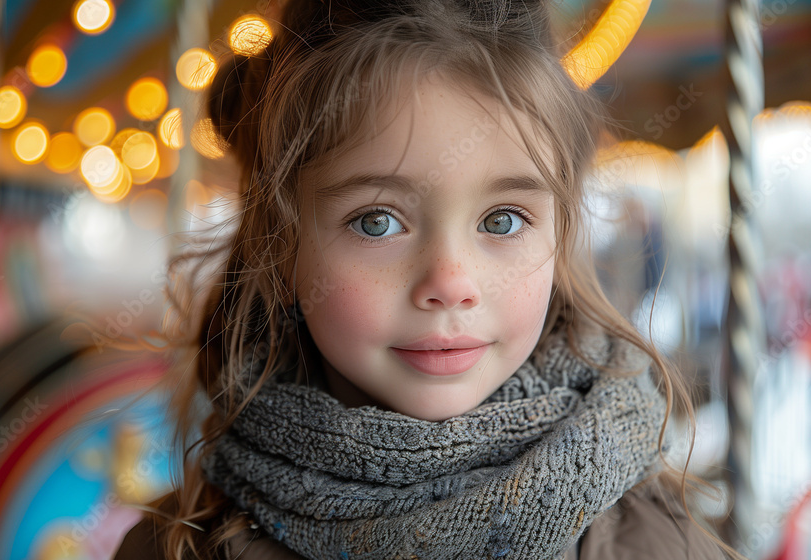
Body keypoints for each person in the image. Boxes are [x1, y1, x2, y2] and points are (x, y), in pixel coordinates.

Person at [115, 0, 736, 558]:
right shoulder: (177, 546)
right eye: (377, 222)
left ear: (559, 236)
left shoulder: (655, 545)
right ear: (280, 249)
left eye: (502, 219)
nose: (450, 282)